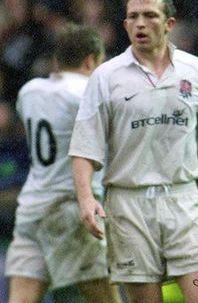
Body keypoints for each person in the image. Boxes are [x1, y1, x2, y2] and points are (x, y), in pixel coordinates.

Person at [69, 0, 198, 303]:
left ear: (169, 24)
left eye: (150, 16)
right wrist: (86, 199)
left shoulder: (196, 71)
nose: (140, 24)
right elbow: (84, 149)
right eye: (133, 17)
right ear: (125, 25)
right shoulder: (105, 77)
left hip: (183, 200)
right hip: (128, 205)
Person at [4, 24, 121, 303]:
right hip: (69, 211)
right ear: (91, 60)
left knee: (21, 299)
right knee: (105, 299)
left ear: (57, 60)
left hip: (31, 210)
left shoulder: (29, 92)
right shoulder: (87, 93)